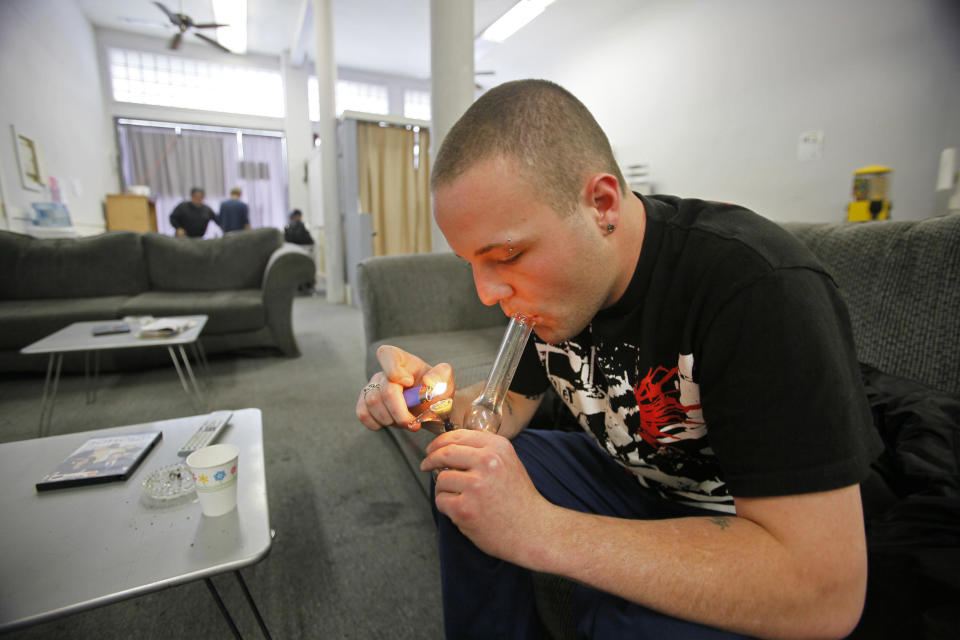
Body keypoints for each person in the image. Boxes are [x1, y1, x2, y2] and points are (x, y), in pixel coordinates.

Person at [356, 79, 883, 639]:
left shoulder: (756, 288)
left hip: (747, 522)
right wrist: (423, 398)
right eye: (472, 263)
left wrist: (541, 529)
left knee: (623, 625)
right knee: (467, 479)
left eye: (506, 255)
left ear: (601, 205)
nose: (488, 293)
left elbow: (824, 589)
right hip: (641, 484)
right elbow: (502, 408)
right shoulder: (555, 296)